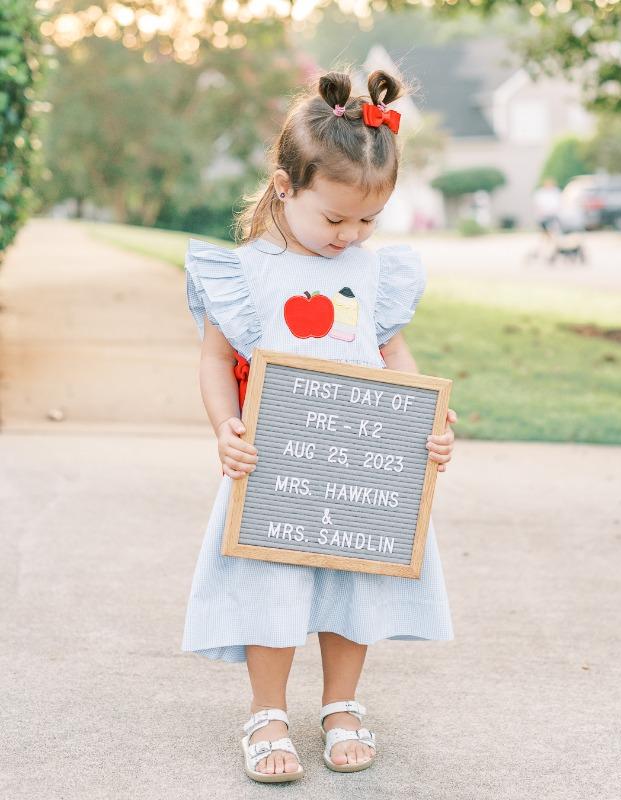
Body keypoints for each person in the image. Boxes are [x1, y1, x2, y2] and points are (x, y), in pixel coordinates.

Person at [181, 69, 458, 783]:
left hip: (359, 464)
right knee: (269, 584)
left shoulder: (375, 274)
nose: (352, 235)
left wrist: (429, 421)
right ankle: (267, 711)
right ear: (284, 186)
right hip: (273, 462)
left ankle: (341, 704)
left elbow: (392, 352)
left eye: (368, 220)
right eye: (335, 219)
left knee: (352, 582)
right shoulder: (245, 273)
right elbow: (216, 362)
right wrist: (224, 427)